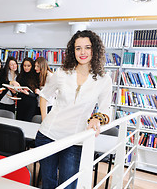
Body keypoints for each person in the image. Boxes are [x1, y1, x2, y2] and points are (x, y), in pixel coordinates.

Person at [35, 30, 112, 189]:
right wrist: (45, 120)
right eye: (78, 48)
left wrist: (97, 118)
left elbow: (106, 110)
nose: (82, 52)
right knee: (48, 184)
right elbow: (44, 96)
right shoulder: (62, 73)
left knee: (68, 185)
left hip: (75, 141)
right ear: (73, 51)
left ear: (95, 50)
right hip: (47, 135)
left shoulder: (104, 79)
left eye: (87, 47)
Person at [15, 57, 39, 122]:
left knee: (28, 122)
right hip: (21, 102)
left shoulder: (36, 77)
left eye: (28, 66)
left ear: (32, 66)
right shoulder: (19, 76)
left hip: (31, 103)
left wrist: (28, 93)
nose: (26, 67)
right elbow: (17, 90)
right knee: (19, 121)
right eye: (24, 66)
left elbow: (37, 94)